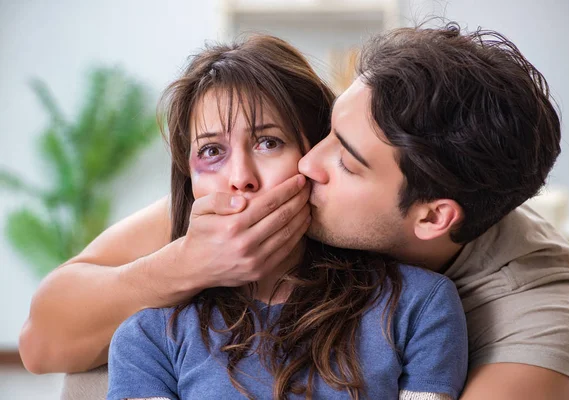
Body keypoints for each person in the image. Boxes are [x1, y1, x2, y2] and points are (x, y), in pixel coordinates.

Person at [19, 23, 569, 400]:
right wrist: (188, 265)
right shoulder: (244, 207)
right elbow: (42, 343)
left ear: (433, 217)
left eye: (347, 159)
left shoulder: (531, 296)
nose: (311, 163)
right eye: (327, 132)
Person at [106, 35, 467, 400]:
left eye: (268, 142)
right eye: (212, 150)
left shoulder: (420, 306)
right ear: (190, 180)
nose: (240, 177)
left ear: (315, 150)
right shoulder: (148, 338)